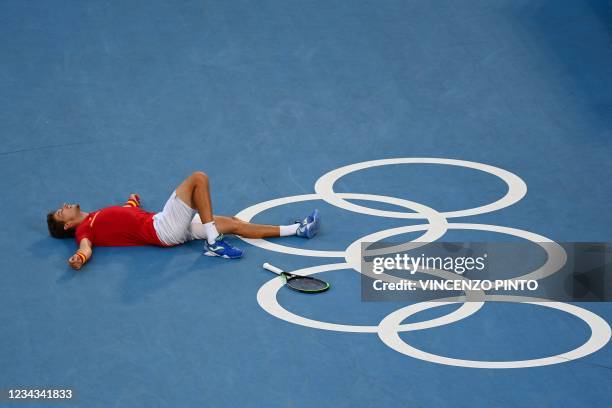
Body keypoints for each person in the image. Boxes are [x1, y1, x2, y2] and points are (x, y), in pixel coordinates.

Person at [46, 171, 320, 269]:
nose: (64, 206)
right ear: (68, 225)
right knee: (198, 179)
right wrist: (79, 258)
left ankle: (298, 229)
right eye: (61, 212)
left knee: (234, 223)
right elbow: (85, 247)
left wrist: (133, 202)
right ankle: (214, 243)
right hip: (162, 227)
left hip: (170, 229)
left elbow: (124, 215)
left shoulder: (95, 217)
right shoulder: (85, 229)